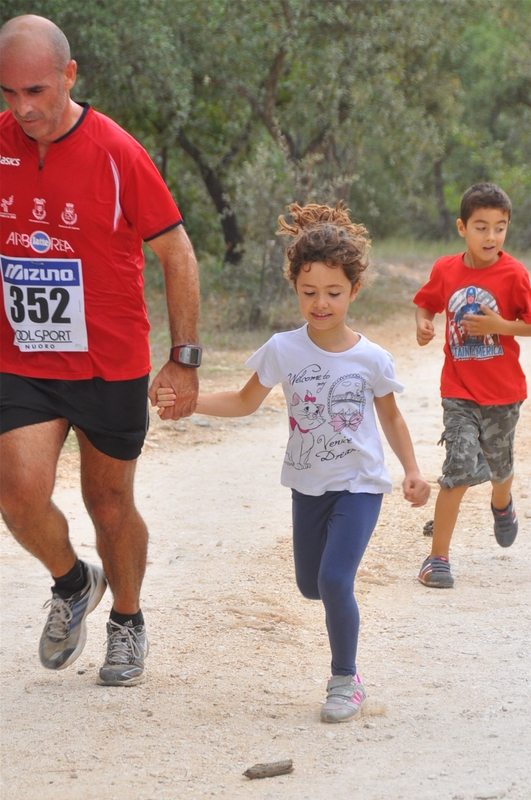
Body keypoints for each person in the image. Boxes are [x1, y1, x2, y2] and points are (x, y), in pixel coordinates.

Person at [157, 202, 430, 723]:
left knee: (332, 580)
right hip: (308, 486)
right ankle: (339, 638)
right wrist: (187, 403)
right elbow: (243, 402)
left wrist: (411, 470)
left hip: (360, 485)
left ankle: (345, 680)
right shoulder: (283, 349)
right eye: (309, 293)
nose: (321, 303)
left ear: (354, 290)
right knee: (310, 584)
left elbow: (391, 419)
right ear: (295, 289)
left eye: (333, 292)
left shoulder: (371, 358)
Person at [0, 15, 201, 686]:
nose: (23, 109)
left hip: (108, 362)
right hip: (23, 358)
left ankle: (127, 620)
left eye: (36, 90)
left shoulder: (117, 152)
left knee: (108, 503)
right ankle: (71, 582)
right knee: (18, 495)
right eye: (9, 94)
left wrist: (185, 356)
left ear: (68, 75)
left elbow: (177, 252)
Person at [414, 183, 531, 589]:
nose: (491, 237)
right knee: (459, 468)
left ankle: (502, 503)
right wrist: (424, 323)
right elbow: (426, 300)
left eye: (500, 228)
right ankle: (436, 559)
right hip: (459, 390)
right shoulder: (446, 269)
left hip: (503, 394)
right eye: (481, 227)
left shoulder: (514, 273)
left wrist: (501, 326)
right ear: (462, 227)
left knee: (500, 468)